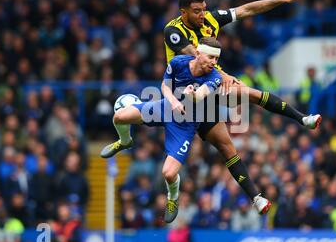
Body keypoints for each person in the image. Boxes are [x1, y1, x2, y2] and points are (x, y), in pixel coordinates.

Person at [161, 0, 321, 210]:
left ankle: (302, 120)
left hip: (208, 89)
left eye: (204, 9)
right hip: (183, 98)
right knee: (168, 166)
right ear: (183, 12)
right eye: (197, 11)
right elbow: (197, 57)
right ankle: (126, 139)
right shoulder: (173, 31)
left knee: (236, 126)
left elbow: (246, 10)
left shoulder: (210, 20)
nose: (202, 15)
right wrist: (225, 75)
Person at [100, 37, 271, 223]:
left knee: (168, 173)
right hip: (165, 107)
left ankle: (173, 198)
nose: (214, 62)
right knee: (119, 116)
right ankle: (125, 141)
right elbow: (165, 86)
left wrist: (192, 95)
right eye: (211, 57)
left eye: (217, 59)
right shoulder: (177, 62)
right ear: (198, 53)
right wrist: (174, 102)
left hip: (185, 124)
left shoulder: (214, 76)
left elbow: (201, 94)